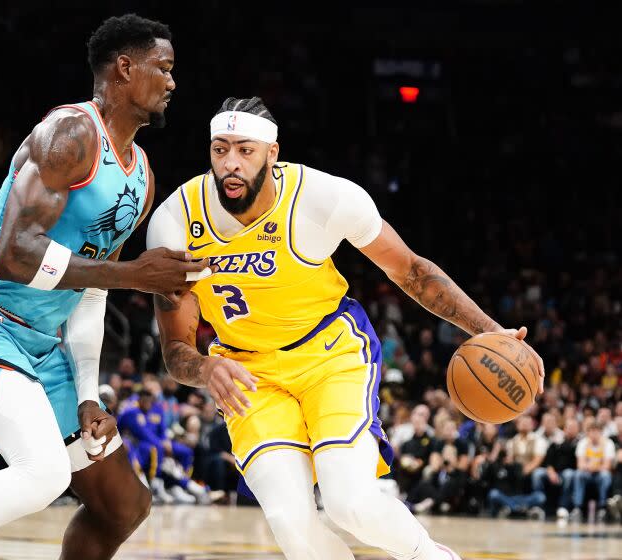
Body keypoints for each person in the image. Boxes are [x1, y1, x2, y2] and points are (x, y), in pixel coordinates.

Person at [0, 13, 210, 560]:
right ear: (125, 68)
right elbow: (13, 256)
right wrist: (133, 276)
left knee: (123, 504)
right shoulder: (70, 134)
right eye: (163, 68)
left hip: (44, 343)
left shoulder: (142, 175)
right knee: (43, 474)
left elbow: (91, 294)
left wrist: (86, 395)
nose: (173, 82)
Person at [148, 96, 546, 560]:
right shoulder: (175, 223)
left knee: (350, 503)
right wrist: (204, 369)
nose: (231, 164)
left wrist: (490, 331)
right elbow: (176, 348)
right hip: (246, 371)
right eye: (220, 150)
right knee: (289, 523)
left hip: (330, 356)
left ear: (272, 154)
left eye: (245, 150)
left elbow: (413, 273)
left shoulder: (322, 199)